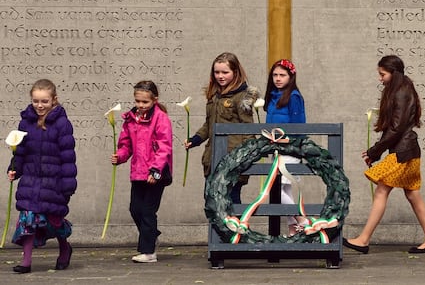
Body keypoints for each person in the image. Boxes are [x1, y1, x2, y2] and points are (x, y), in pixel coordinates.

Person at [343, 55, 425, 254]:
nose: (380, 78)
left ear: (393, 73)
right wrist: (377, 151)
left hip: (403, 151)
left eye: (382, 74)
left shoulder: (402, 91)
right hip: (408, 150)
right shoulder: (402, 89)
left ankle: (363, 239)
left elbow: (396, 128)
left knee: (382, 190)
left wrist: (375, 151)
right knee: (412, 193)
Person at [7, 79, 77, 274]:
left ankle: (64, 248)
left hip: (52, 182)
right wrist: (14, 169)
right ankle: (26, 261)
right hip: (30, 179)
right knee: (28, 219)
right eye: (36, 101)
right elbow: (19, 152)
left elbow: (68, 157)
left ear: (54, 100)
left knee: (54, 221)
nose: (40, 105)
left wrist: (67, 185)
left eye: (44, 101)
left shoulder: (62, 124)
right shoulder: (25, 122)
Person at [111, 81, 174, 263]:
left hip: (156, 173)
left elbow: (164, 147)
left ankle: (148, 251)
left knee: (147, 211)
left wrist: (155, 172)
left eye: (145, 102)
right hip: (138, 173)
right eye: (138, 101)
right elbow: (126, 144)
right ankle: (151, 235)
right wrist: (120, 156)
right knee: (135, 209)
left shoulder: (161, 118)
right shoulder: (131, 119)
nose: (140, 105)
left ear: (154, 100)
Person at [185, 52, 260, 204]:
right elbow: (209, 124)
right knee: (211, 200)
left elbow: (248, 129)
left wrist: (245, 155)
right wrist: (196, 139)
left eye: (225, 72)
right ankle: (219, 228)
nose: (220, 76)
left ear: (235, 72)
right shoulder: (214, 95)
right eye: (217, 72)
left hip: (232, 158)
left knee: (230, 202)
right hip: (213, 157)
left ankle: (236, 228)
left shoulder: (242, 97)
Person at [265, 58, 309, 235]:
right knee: (285, 189)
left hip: (289, 149)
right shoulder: (272, 97)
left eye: (282, 75)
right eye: (275, 75)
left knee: (275, 187)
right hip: (274, 149)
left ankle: (302, 220)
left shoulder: (294, 97)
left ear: (291, 77)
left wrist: (289, 142)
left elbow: (299, 125)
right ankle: (293, 227)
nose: (278, 78)